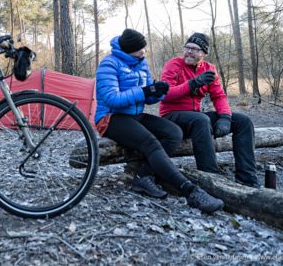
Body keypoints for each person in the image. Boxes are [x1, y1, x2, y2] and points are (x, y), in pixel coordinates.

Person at [95, 28, 224, 214]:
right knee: (150, 142)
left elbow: (149, 98)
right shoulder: (109, 64)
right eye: (140, 49)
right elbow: (111, 98)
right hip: (110, 118)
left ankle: (143, 176)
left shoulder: (141, 63)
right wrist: (145, 91)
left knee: (173, 133)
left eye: (144, 49)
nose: (144, 52)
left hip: (135, 115)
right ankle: (190, 191)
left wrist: (157, 92)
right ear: (129, 50)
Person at [159, 33, 259, 187]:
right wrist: (192, 84)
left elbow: (219, 96)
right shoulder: (174, 64)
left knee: (242, 121)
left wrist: (225, 117)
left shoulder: (209, 69)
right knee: (201, 119)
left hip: (196, 118)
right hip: (172, 117)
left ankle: (247, 179)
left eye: (195, 49)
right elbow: (165, 95)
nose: (189, 52)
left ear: (204, 53)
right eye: (187, 47)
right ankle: (211, 178)